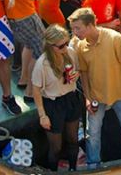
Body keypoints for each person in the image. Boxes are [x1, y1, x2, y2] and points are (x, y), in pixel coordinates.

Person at [69, 7, 121, 168]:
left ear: (90, 25)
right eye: (73, 28)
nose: (74, 32)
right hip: (97, 97)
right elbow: (84, 74)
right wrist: (88, 98)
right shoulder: (81, 46)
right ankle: (93, 163)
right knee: (92, 133)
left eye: (77, 28)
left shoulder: (114, 38)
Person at [31, 25, 81, 170]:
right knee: (56, 147)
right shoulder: (42, 64)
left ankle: (73, 168)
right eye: (61, 46)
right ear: (51, 46)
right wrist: (42, 115)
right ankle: (52, 171)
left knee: (73, 140)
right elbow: (36, 90)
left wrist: (76, 74)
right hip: (53, 104)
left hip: (71, 98)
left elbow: (78, 69)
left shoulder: (71, 52)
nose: (65, 47)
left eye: (67, 43)